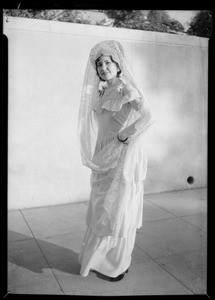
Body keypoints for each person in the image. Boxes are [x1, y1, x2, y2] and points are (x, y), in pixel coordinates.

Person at [77, 40, 154, 282]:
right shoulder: (102, 92)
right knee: (101, 208)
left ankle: (115, 264)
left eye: (108, 62)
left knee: (116, 209)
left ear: (118, 65)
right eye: (99, 64)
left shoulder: (125, 89)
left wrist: (124, 135)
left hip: (121, 156)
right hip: (103, 156)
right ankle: (98, 259)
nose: (103, 67)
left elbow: (148, 117)